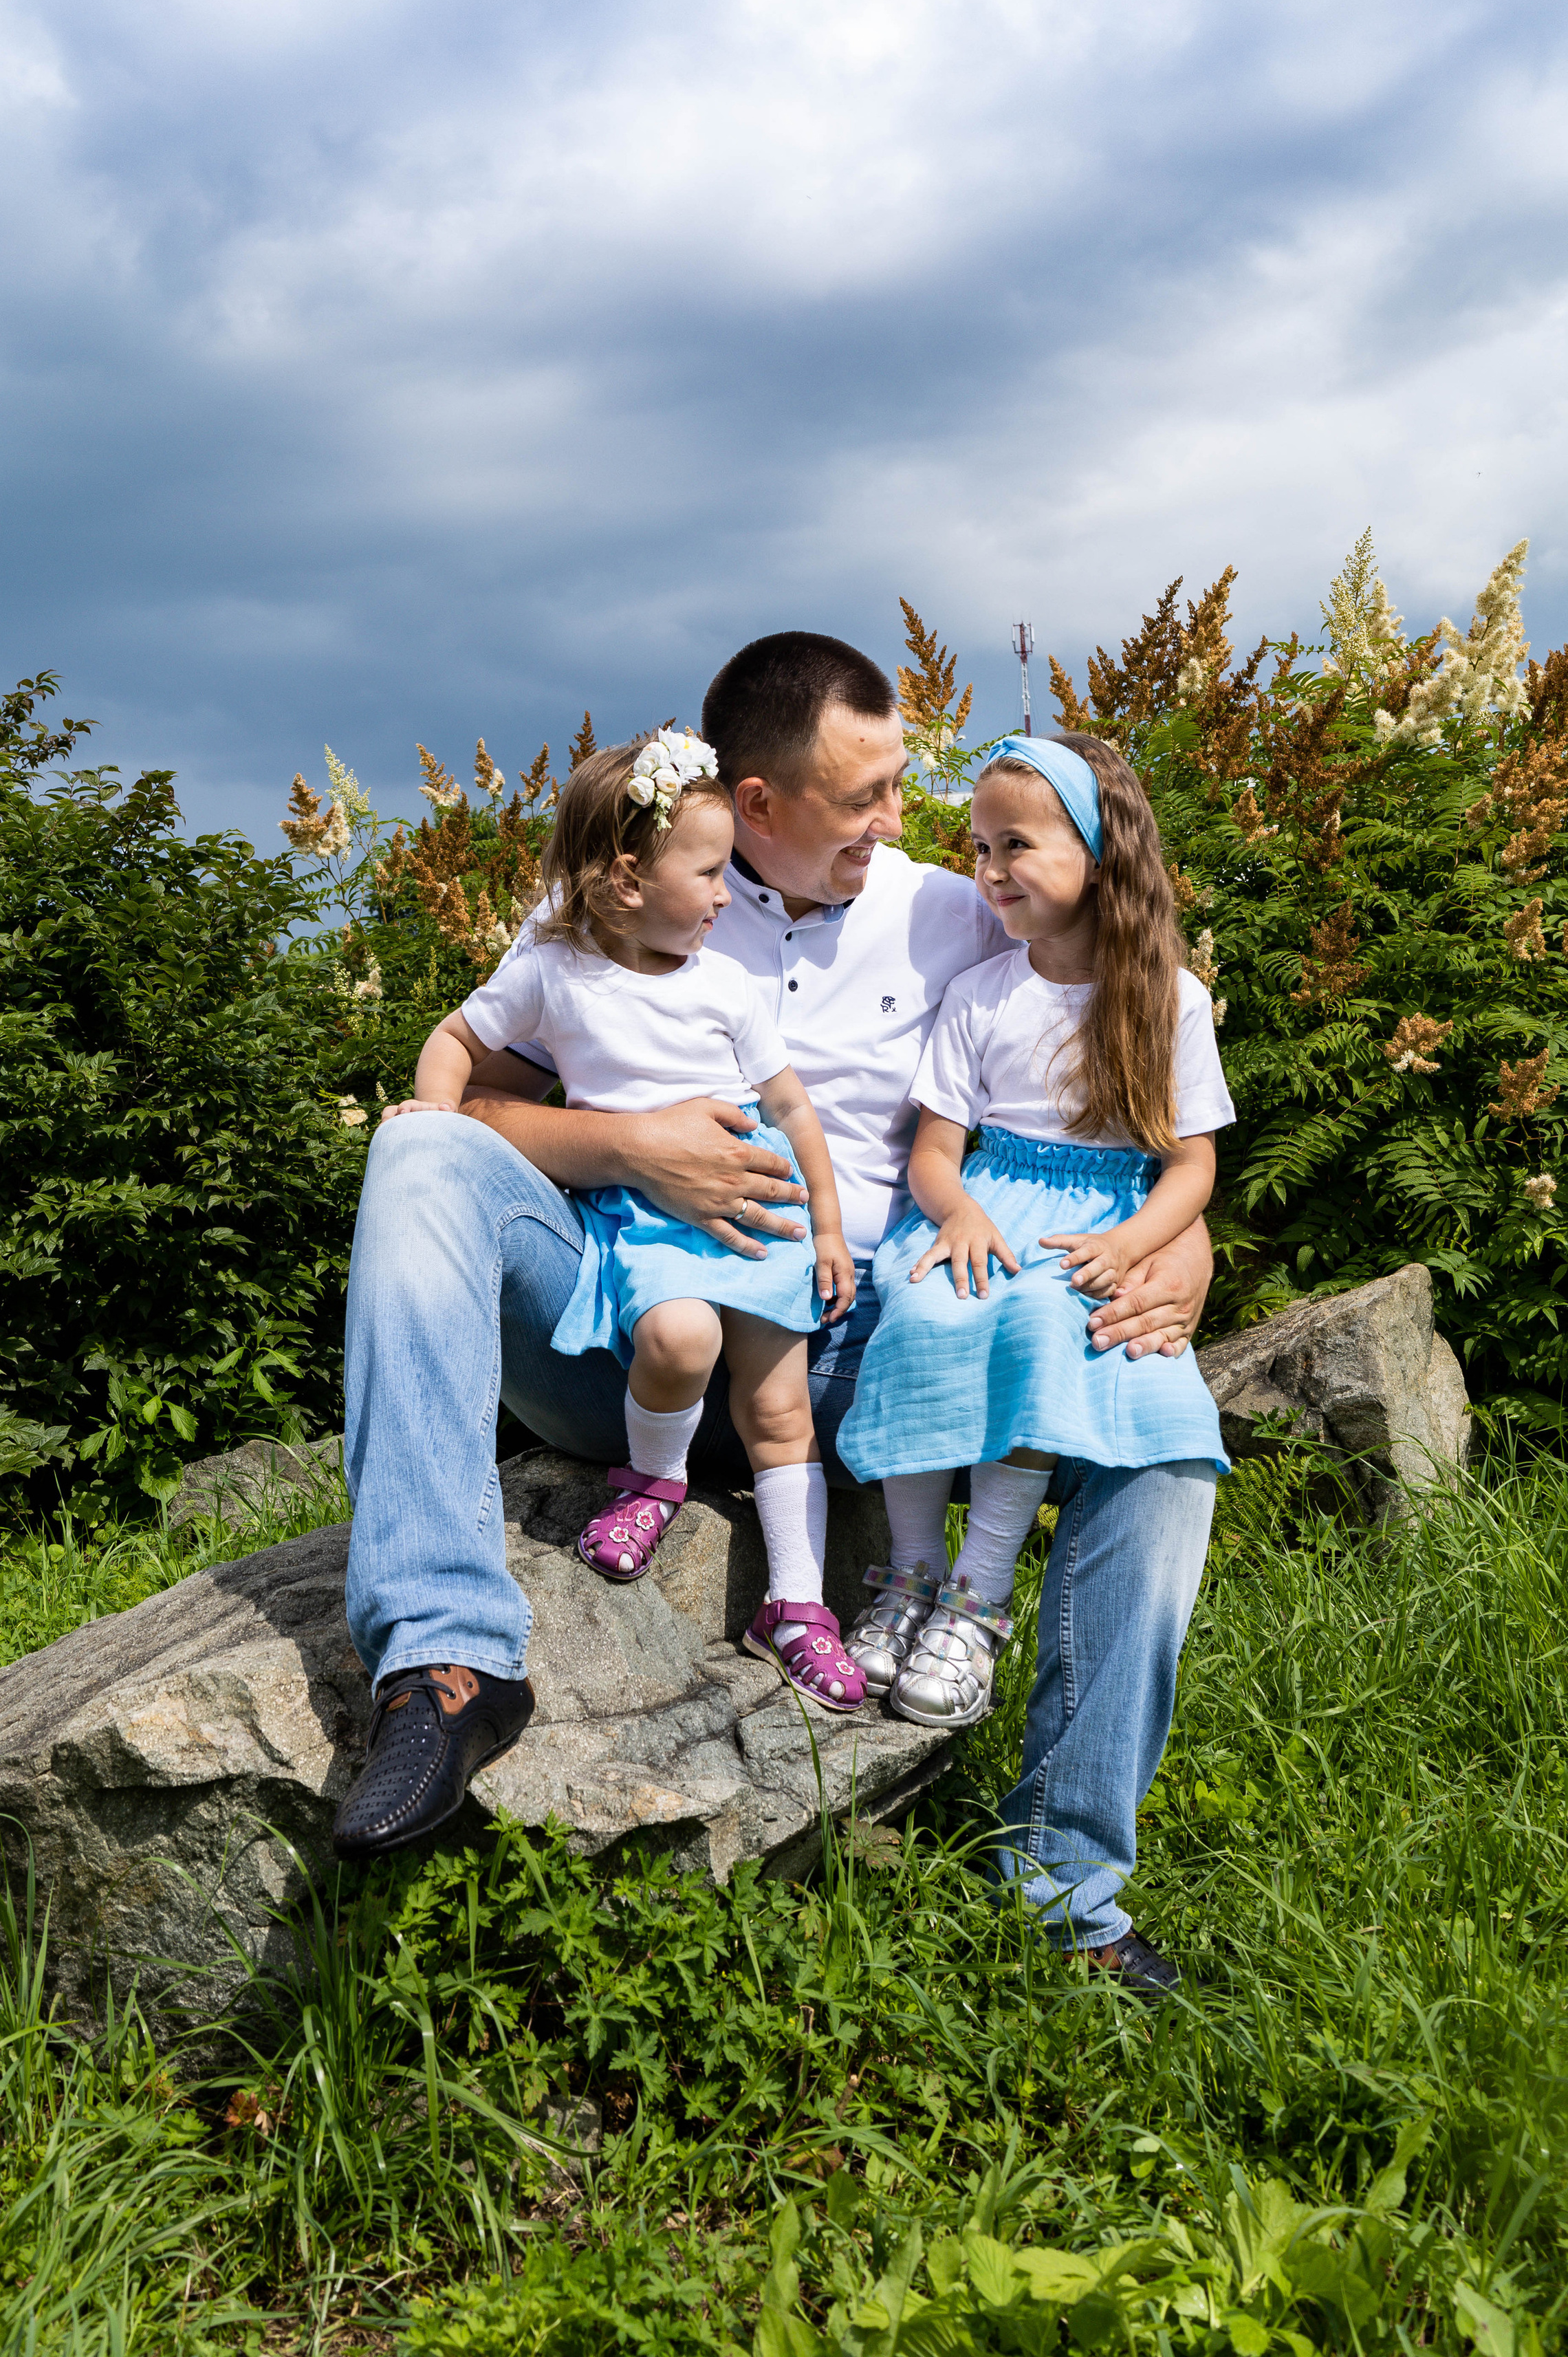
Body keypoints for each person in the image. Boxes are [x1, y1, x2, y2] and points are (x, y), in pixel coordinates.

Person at [331, 633, 1214, 1998]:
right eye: (861, 798)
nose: (897, 824)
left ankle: (1065, 1888)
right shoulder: (615, 897)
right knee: (415, 1154)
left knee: (1160, 1439)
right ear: (753, 805)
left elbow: (1100, 1041)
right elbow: (473, 1108)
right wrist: (628, 1145)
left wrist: (1186, 1238)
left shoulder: (950, 908)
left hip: (873, 1345)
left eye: (901, 790)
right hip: (636, 1338)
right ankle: (446, 1663)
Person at [838, 731, 1230, 1956]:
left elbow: (1192, 1161)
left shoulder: (1164, 997)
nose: (988, 868)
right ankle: (914, 1581)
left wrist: (1153, 1243)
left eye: (1017, 844)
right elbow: (939, 1151)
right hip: (989, 1206)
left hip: (1097, 1228)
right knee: (934, 1307)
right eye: (980, 845)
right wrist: (952, 1213)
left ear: (1101, 852)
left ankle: (981, 1600)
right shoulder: (984, 992)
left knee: (1058, 1339)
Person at [391, 723, 866, 1713]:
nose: (724, 894)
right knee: (678, 1338)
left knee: (780, 1408)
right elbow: (457, 1036)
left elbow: (790, 1108)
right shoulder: (555, 973)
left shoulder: (727, 987)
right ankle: (653, 1483)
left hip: (761, 1200)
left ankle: (797, 1603)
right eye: (705, 871)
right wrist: (434, 1118)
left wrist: (826, 1222)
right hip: (645, 1212)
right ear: (622, 882)